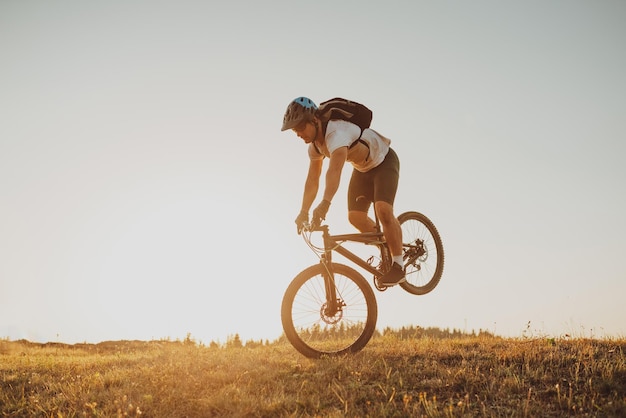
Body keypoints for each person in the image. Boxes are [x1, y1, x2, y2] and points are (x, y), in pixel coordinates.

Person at [281, 96, 405, 286]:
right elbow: (312, 180)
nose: (298, 134)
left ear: (314, 121)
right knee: (355, 217)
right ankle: (387, 250)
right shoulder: (314, 147)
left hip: (384, 161)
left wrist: (325, 204)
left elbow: (334, 171)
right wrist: (303, 212)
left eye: (300, 127)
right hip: (362, 169)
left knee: (383, 210)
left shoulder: (337, 133)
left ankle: (398, 265)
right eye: (294, 130)